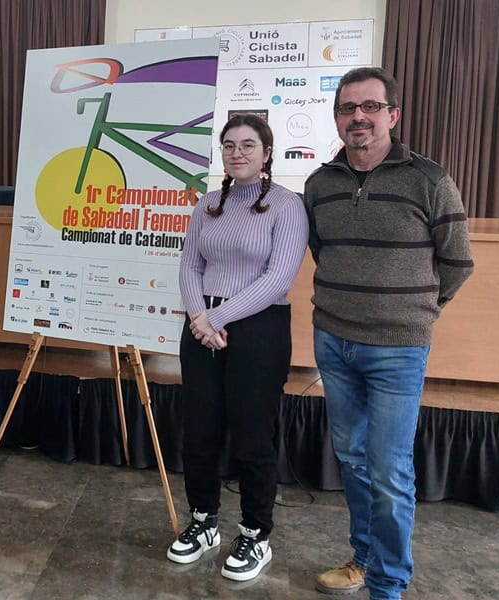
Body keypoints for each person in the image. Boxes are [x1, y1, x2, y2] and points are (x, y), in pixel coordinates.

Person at [305, 67, 473, 600]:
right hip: (333, 342)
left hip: (398, 351)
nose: (358, 117)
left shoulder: (429, 180)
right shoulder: (318, 184)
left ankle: (388, 585)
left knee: (389, 471)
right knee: (353, 460)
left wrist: (417, 311)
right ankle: (364, 558)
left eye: (370, 107)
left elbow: (457, 263)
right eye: (348, 108)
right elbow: (321, 251)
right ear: (336, 118)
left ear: (392, 115)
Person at [169, 114, 308, 581]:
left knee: (252, 435)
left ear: (267, 153)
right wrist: (198, 319)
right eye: (229, 145)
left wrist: (217, 318)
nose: (237, 153)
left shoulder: (287, 206)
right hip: (201, 325)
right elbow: (190, 266)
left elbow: (277, 279)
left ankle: (255, 532)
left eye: (248, 145)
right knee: (200, 430)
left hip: (258, 328)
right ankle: (204, 521)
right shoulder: (208, 204)